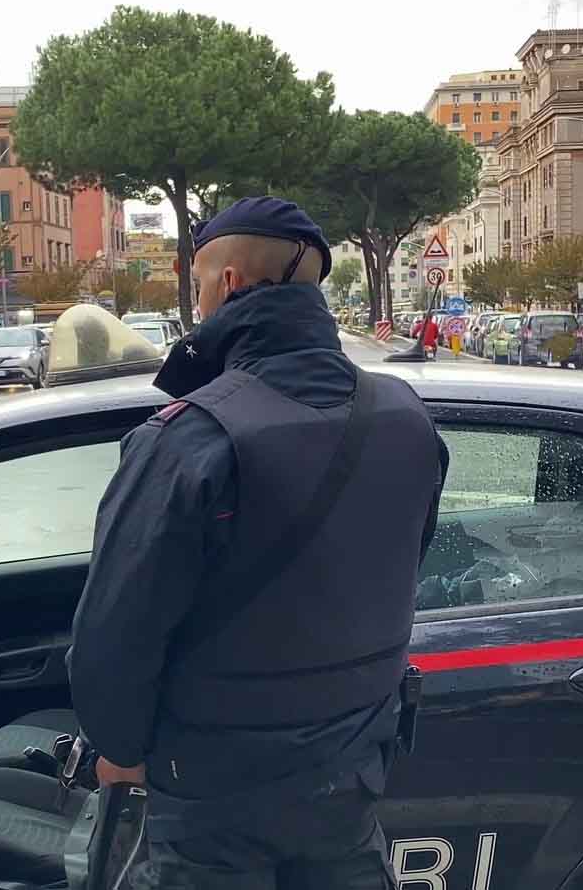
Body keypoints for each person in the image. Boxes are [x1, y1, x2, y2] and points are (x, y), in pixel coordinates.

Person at [69, 196, 449, 890]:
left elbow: (115, 631)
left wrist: (119, 751)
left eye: (200, 286)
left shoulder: (188, 437)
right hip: (351, 775)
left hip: (215, 801)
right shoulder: (407, 418)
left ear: (230, 285)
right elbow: (396, 567)